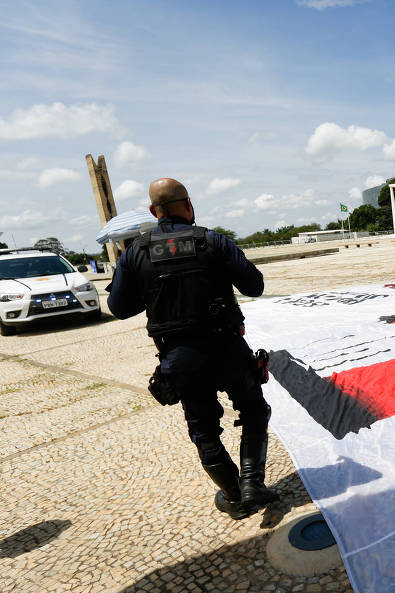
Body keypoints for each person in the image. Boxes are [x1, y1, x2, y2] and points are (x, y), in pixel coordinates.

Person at [107, 178, 282, 520]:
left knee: (203, 429)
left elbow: (119, 308)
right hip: (227, 347)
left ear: (153, 211)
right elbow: (255, 285)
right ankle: (252, 483)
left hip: (180, 357)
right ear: (188, 204)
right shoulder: (212, 241)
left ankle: (233, 495)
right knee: (254, 411)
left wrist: (137, 278)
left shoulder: (135, 253)